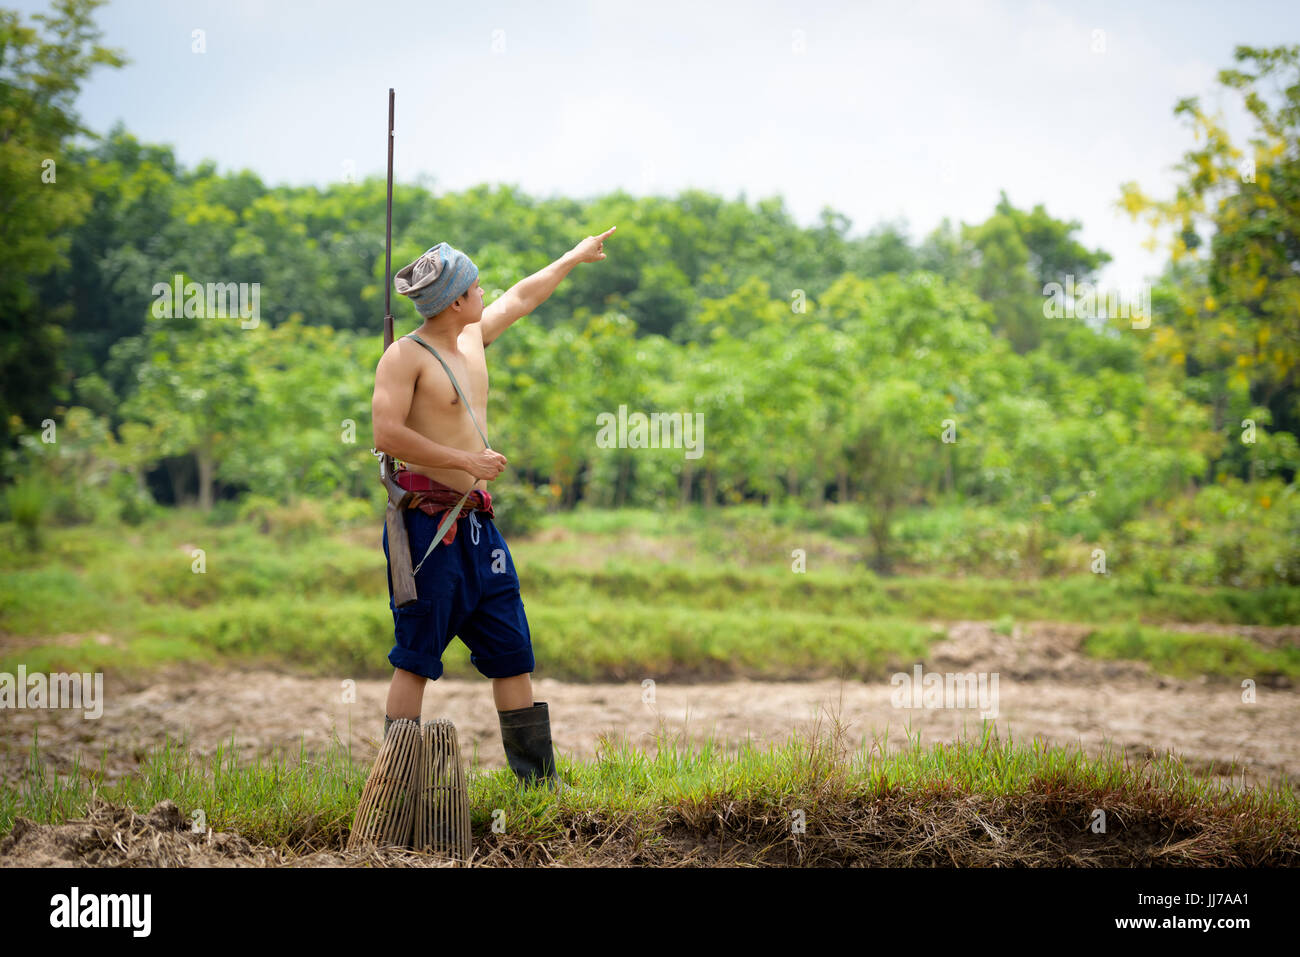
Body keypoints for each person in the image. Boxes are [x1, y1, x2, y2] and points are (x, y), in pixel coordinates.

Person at [370, 227, 616, 787]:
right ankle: (397, 785)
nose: (485, 293)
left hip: (479, 528)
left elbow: (523, 297)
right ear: (455, 299)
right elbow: (386, 434)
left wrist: (573, 256)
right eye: (476, 286)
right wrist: (467, 460)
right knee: (415, 656)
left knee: (512, 652)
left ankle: (537, 786)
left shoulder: (473, 338)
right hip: (426, 528)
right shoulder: (403, 358)